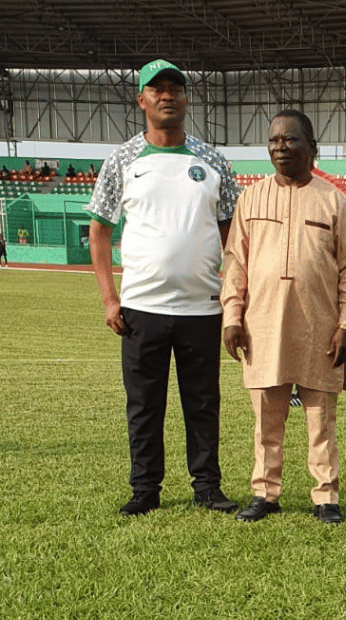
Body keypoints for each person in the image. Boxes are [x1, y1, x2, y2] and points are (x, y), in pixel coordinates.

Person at [87, 59, 241, 517]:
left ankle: (207, 486)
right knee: (144, 406)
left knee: (203, 403)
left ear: (186, 98)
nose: (167, 95)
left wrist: (232, 293)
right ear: (142, 100)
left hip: (202, 307)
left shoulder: (213, 161)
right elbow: (99, 230)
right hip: (141, 308)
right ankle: (145, 488)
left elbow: (233, 233)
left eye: (175, 87)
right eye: (157, 89)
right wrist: (110, 298)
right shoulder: (122, 160)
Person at [222, 110, 346, 524]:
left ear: (312, 148)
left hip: (320, 328)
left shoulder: (334, 200)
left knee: (321, 419)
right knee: (266, 419)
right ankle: (265, 493)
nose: (280, 147)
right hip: (262, 326)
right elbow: (236, 262)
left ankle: (326, 497)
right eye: (274, 141)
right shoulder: (250, 198)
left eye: (290, 140)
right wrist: (232, 316)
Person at [290, 158, 346, 415]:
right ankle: (299, 390)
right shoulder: (278, 183)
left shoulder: (325, 182)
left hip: (327, 274)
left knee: (337, 334)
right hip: (294, 274)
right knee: (296, 331)